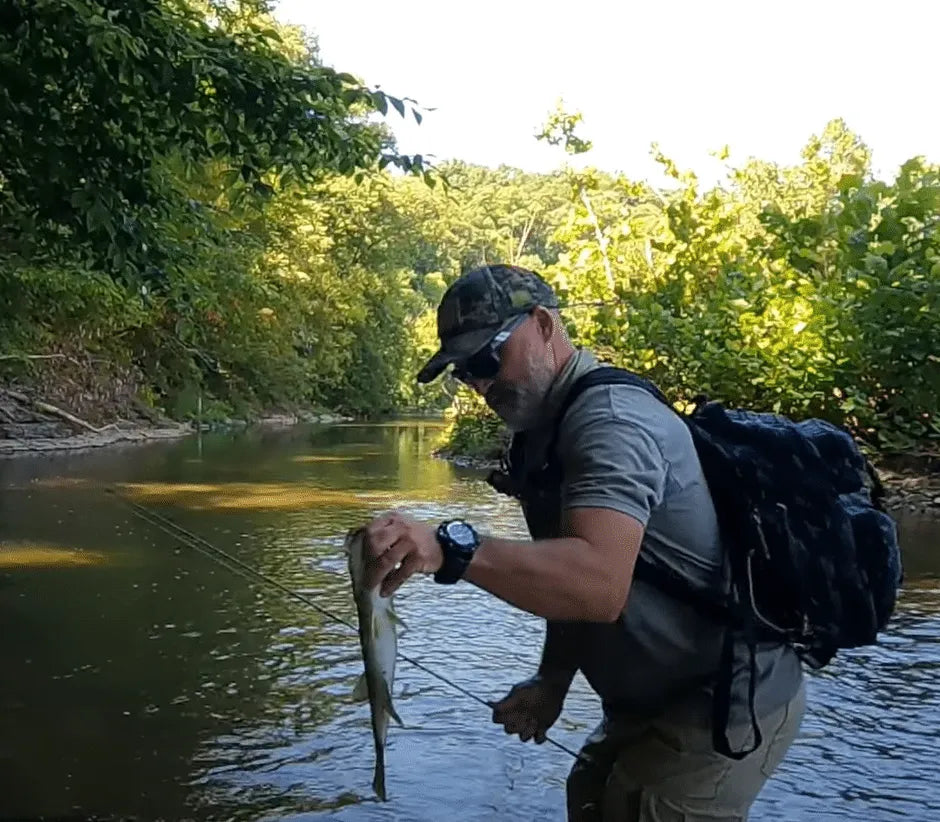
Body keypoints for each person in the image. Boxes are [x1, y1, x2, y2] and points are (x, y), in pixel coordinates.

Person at [362, 263, 805, 821]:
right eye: (462, 372)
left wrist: (454, 549)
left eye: (485, 359)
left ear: (544, 324)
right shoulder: (539, 437)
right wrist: (553, 681)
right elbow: (565, 580)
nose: (478, 383)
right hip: (643, 703)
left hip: (721, 703)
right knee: (592, 799)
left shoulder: (610, 423)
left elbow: (596, 584)